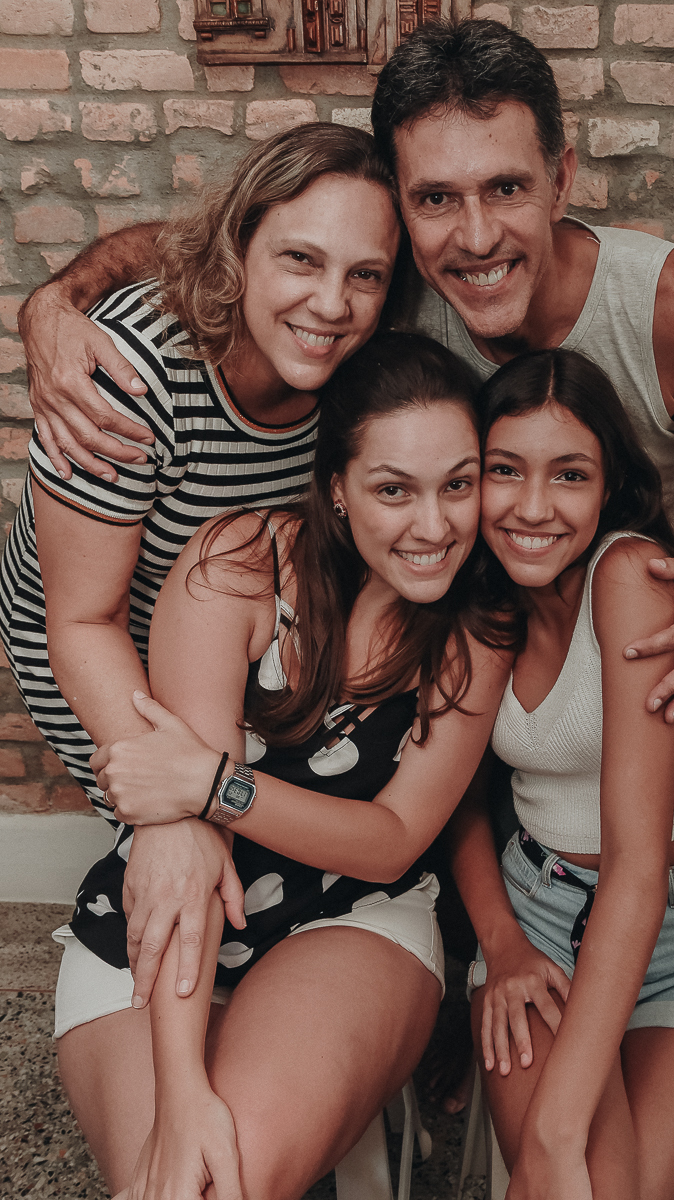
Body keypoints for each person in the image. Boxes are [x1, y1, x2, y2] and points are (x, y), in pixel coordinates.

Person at [17, 20, 674, 728]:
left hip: (635, 647)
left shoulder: (667, 308)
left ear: (560, 179)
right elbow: (216, 240)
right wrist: (53, 304)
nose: (475, 238)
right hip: (433, 649)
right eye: (436, 198)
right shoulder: (384, 292)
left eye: (506, 188)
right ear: (405, 212)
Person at [48, 331, 514, 1200]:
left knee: (230, 1180)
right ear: (336, 487)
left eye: (457, 484)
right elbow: (186, 840)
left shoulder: (477, 627)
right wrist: (181, 1091)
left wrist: (216, 785)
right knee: (175, 1179)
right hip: (164, 906)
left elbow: (392, 837)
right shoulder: (238, 563)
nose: (434, 526)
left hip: (348, 914)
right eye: (393, 489)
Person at [0, 121, 407, 1004]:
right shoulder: (131, 373)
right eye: (299, 259)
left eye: (364, 275)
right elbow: (82, 619)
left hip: (231, 632)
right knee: (181, 842)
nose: (331, 304)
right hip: (93, 634)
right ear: (240, 250)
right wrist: (173, 806)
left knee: (247, 827)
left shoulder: (364, 367)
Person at [449, 348, 674, 1200]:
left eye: (569, 474)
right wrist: (502, 945)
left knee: (589, 1181)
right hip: (536, 923)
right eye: (504, 470)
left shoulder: (628, 578)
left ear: (608, 485)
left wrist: (554, 1133)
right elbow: (458, 805)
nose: (533, 507)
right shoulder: (480, 600)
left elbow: (635, 869)